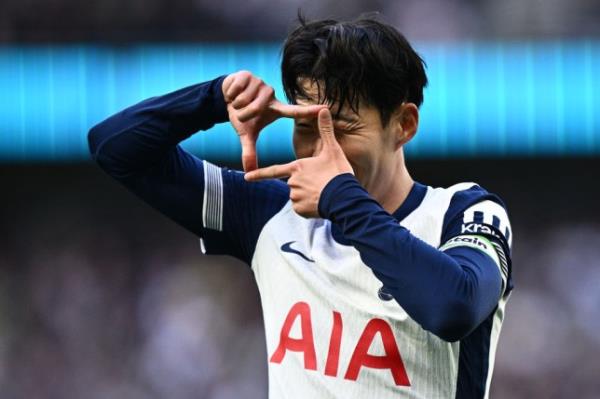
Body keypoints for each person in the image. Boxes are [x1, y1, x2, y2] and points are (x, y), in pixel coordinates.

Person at [88, 15, 513, 399]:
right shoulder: (271, 213)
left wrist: (340, 197)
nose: (318, 151)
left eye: (341, 128)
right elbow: (115, 147)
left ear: (403, 124)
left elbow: (452, 308)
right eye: (305, 127)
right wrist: (214, 99)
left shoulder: (463, 211)